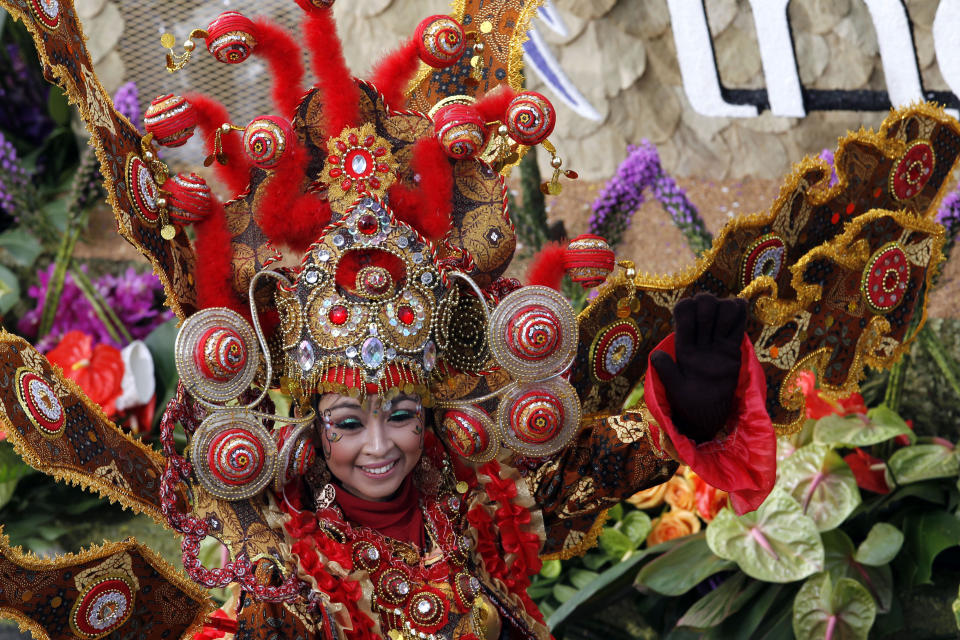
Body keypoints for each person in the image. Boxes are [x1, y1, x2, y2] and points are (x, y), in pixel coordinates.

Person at [0, 0, 948, 639]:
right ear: (304, 421)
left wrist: (695, 409)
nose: (381, 446)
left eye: (401, 413)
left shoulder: (489, 500)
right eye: (349, 419)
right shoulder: (268, 552)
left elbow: (618, 456)